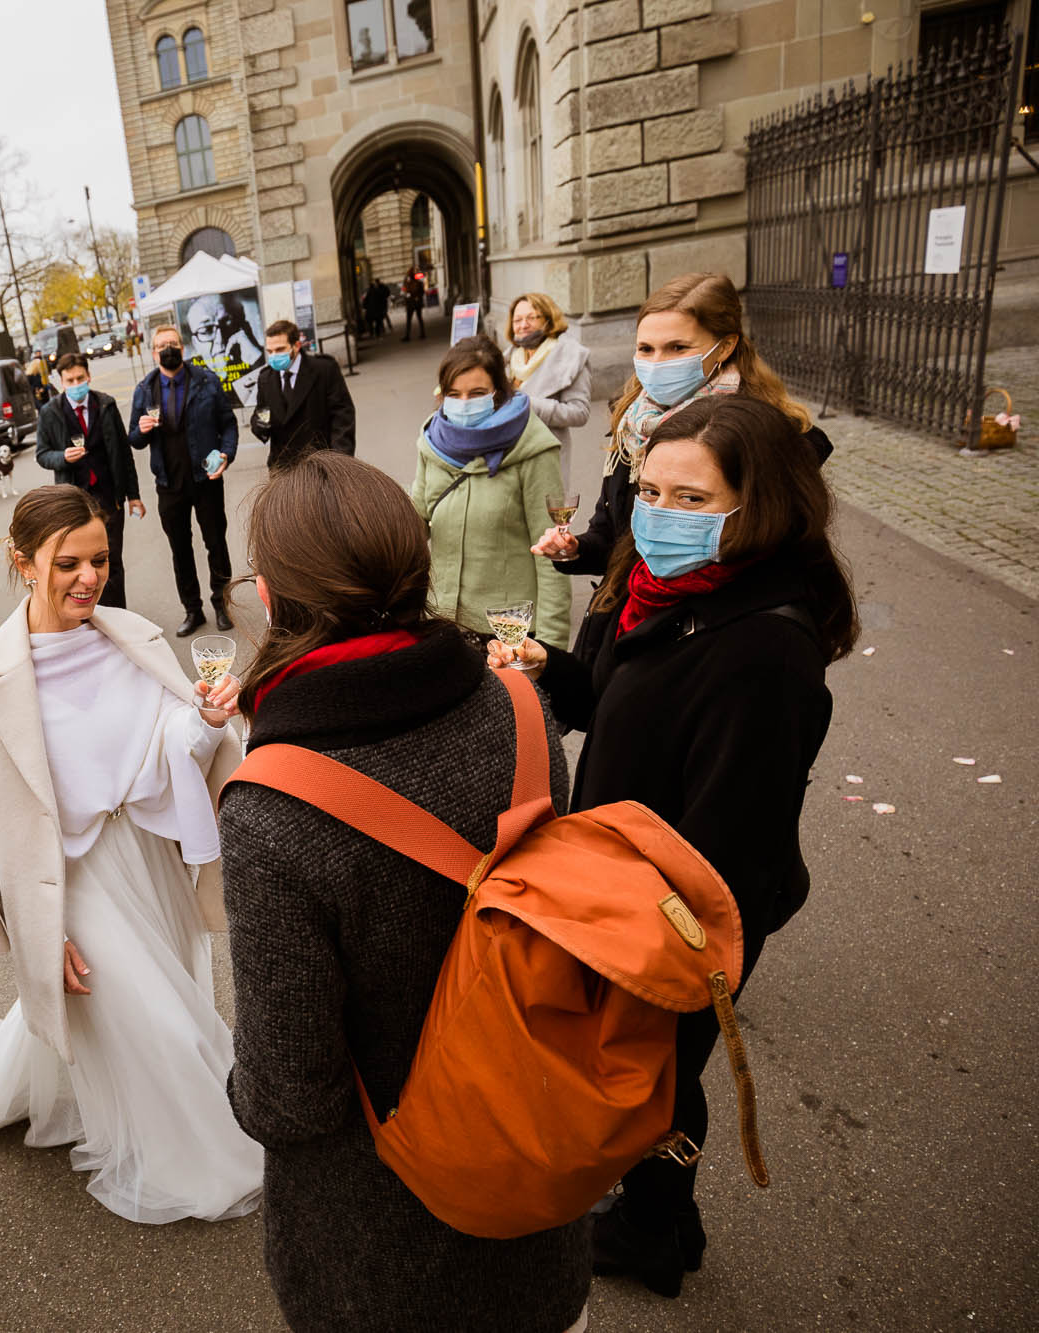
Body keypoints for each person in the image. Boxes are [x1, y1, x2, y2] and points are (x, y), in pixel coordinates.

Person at [493, 395, 857, 1300]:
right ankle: (662, 1221)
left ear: (758, 505)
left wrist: (635, 935)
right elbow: (612, 706)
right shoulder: (661, 588)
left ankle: (652, 1232)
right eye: (649, 489)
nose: (658, 512)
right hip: (627, 882)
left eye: (692, 499)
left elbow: (725, 847)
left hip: (679, 911)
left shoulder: (763, 650)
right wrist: (555, 668)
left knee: (656, 1069)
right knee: (646, 1066)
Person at [216, 453, 590, 1331]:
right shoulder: (520, 710)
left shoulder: (273, 802)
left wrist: (237, 1092)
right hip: (539, 1178)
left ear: (272, 599)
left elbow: (290, 1096)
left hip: (383, 1243)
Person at [0, 486, 262, 1224]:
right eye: (67, 563)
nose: (88, 577)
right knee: (161, 1022)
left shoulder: (133, 636)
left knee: (149, 1002)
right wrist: (35, 935)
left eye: (101, 559)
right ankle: (207, 1161)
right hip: (68, 883)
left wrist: (208, 722)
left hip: (145, 855)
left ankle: (30, 1071)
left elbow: (171, 747)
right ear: (22, 564)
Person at [532, 272, 833, 649]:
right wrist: (577, 550)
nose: (658, 363)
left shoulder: (769, 443)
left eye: (677, 347)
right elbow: (617, 537)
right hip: (631, 614)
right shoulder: (634, 423)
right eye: (646, 348)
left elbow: (778, 557)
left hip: (714, 636)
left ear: (723, 348)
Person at [411, 336, 570, 647]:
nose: (464, 403)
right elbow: (415, 520)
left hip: (508, 631)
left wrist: (552, 646)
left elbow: (552, 553)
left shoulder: (533, 448)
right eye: (454, 394)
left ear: (499, 392)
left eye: (477, 393)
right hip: (443, 623)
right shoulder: (433, 440)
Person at [127, 323, 239, 636]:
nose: (168, 349)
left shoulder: (207, 381)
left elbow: (228, 425)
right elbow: (134, 439)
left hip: (206, 478)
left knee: (216, 543)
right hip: (169, 484)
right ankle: (193, 609)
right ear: (153, 353)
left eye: (173, 343)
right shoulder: (144, 390)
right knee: (180, 549)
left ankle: (221, 603)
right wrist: (143, 429)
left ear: (183, 348)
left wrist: (226, 455)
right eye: (162, 345)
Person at [34, 351, 143, 609]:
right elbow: (42, 454)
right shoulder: (50, 412)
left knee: (111, 561)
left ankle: (117, 617)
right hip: (73, 502)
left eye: (79, 378)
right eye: (69, 380)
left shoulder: (106, 404)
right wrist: (62, 457)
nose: (75, 385)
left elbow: (123, 452)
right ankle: (87, 618)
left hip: (108, 497)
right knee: (79, 566)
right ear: (61, 382)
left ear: (89, 376)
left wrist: (133, 495)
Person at [248, 319, 356, 471]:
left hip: (320, 464)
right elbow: (262, 412)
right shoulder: (266, 378)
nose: (273, 356)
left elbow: (342, 416)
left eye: (280, 350)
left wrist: (340, 462)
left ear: (296, 346)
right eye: (270, 351)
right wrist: (260, 425)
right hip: (282, 468)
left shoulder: (323, 369)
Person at [504, 292, 592, 474]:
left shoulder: (570, 356)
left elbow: (579, 413)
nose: (523, 325)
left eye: (531, 318)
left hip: (545, 457)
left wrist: (529, 405)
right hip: (507, 457)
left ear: (548, 319)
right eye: (517, 320)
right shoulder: (509, 357)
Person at [401, 273, 427, 342]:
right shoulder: (418, 283)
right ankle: (422, 333)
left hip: (411, 304)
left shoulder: (409, 284)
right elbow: (422, 292)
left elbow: (406, 294)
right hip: (416, 304)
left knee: (409, 320)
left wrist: (409, 297)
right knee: (419, 319)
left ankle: (407, 335)